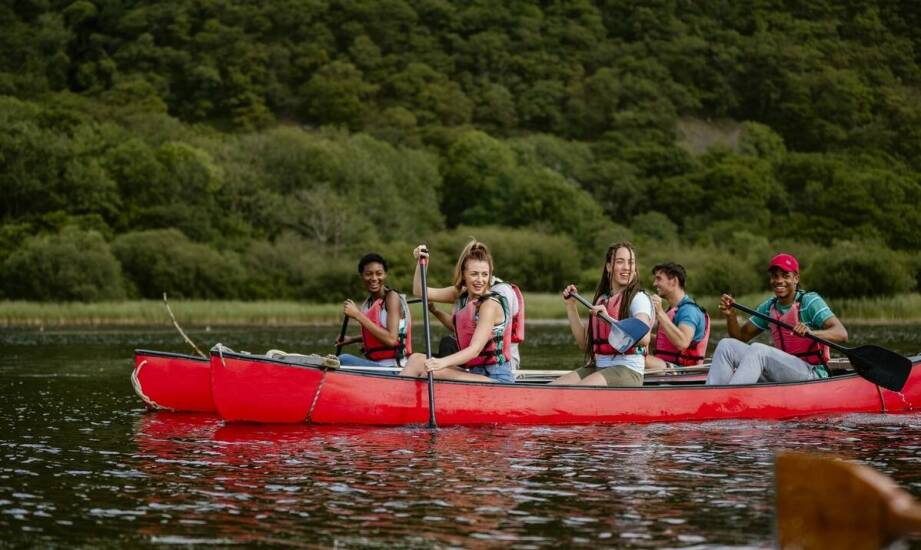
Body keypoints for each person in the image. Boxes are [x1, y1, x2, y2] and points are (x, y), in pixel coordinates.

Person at [705, 252, 848, 385]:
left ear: (796, 279)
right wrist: (731, 316)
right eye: (775, 276)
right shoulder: (769, 307)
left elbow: (842, 334)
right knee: (726, 345)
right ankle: (711, 397)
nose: (779, 281)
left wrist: (812, 333)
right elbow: (740, 337)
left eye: (785, 275)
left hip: (813, 373)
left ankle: (730, 400)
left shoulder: (810, 302)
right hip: (784, 371)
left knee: (758, 350)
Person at [399, 240, 516, 383]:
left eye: (485, 274)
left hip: (496, 378)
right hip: (474, 372)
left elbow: (475, 350)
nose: (480, 280)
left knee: (432, 373)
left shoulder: (489, 304)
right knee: (416, 359)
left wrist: (441, 362)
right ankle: (394, 398)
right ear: (463, 274)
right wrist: (422, 262)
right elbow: (419, 291)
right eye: (474, 274)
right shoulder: (461, 295)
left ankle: (398, 400)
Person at [550, 241, 653, 387]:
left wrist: (608, 319)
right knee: (552, 388)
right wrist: (570, 306)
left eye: (631, 263)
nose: (626, 268)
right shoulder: (602, 300)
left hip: (628, 370)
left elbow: (644, 337)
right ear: (609, 267)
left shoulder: (639, 298)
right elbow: (584, 344)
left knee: (576, 392)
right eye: (620, 262)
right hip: (599, 366)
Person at [335, 253, 412, 371]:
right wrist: (352, 339)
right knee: (337, 360)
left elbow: (392, 339)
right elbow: (378, 333)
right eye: (368, 274)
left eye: (379, 273)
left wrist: (357, 315)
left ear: (385, 275)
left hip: (394, 368)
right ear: (361, 276)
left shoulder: (392, 297)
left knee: (343, 359)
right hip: (377, 366)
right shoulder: (370, 303)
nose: (374, 278)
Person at [645, 262, 710, 373]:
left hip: (683, 371)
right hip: (667, 365)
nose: (654, 284)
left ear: (674, 281)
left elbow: (682, 342)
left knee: (637, 360)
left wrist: (660, 313)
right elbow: (666, 342)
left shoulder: (689, 310)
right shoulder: (674, 309)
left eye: (659, 279)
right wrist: (642, 337)